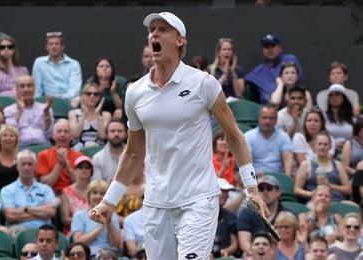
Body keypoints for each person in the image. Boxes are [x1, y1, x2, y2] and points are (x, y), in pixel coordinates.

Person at [89, 12, 268, 260]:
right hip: (155, 203)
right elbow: (133, 153)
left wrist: (252, 188)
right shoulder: (135, 93)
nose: (155, 34)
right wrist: (109, 202)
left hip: (198, 200)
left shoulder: (203, 83)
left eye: (163, 29)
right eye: (152, 30)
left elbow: (234, 136)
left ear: (180, 40)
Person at [1, 149, 56, 234]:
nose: (26, 168)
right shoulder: (7, 190)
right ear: (17, 166)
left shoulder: (46, 189)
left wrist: (26, 209)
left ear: (35, 167)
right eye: (23, 164)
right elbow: (10, 216)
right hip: (18, 231)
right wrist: (40, 214)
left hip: (44, 231)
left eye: (30, 164)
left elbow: (51, 211)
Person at [238, 175, 289, 257]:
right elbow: (245, 244)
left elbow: (290, 244)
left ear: (278, 191)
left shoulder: (287, 215)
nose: (265, 192)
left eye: (269, 188)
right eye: (261, 189)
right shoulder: (246, 212)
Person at [245, 34, 304, 104]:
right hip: (266, 109)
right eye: (267, 47)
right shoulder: (258, 70)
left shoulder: (289, 59)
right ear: (263, 50)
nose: (270, 50)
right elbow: (242, 85)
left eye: (273, 46)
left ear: (280, 48)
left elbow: (300, 83)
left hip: (290, 102)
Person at [294, 131, 351, 203]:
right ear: (315, 146)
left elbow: (348, 189)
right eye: (319, 144)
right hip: (315, 201)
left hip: (336, 200)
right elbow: (297, 189)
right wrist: (312, 194)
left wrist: (330, 185)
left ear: (330, 147)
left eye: (325, 144)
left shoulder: (338, 165)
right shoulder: (306, 165)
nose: (322, 147)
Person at [71, 180, 120, 257]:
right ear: (89, 196)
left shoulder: (113, 216)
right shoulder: (79, 215)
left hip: (110, 254)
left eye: (102, 194)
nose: (98, 196)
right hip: (88, 254)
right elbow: (78, 241)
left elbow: (115, 244)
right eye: (95, 193)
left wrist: (109, 223)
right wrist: (101, 227)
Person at [4, 75, 54, 149]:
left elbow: (49, 134)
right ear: (16, 90)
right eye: (22, 86)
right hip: (20, 149)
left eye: (29, 86)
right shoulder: (8, 110)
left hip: (42, 147)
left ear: (34, 89)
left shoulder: (45, 108)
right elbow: (10, 133)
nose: (26, 89)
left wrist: (46, 113)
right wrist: (20, 111)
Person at [36, 119, 84, 195]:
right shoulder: (43, 155)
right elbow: (45, 185)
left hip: (74, 195)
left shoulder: (79, 156)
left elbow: (81, 184)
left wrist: (67, 166)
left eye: (66, 132)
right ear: (53, 136)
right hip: (51, 194)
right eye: (59, 131)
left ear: (71, 136)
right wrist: (59, 165)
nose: (62, 134)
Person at [244, 104, 294, 176]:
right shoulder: (249, 136)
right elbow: (246, 162)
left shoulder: (284, 137)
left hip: (277, 178)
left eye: (271, 118)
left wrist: (286, 179)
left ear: (276, 120)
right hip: (256, 177)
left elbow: (288, 159)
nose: (267, 121)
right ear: (259, 118)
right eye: (264, 118)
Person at [32, 31, 82, 101]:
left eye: (57, 44)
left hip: (68, 101)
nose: (54, 46)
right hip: (46, 101)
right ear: (46, 47)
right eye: (51, 44)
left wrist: (60, 99)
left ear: (62, 47)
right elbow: (37, 89)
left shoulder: (73, 64)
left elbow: (75, 90)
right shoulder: (39, 62)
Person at [68, 82, 111, 150]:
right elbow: (75, 135)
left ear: (99, 97)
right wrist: (84, 115)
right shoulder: (73, 113)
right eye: (88, 94)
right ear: (82, 96)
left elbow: (103, 136)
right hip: (79, 149)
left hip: (99, 150)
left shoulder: (106, 115)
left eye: (95, 94)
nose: (92, 96)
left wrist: (98, 116)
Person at [316, 83, 358, 153]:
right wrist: (332, 144)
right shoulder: (321, 117)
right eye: (331, 95)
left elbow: (357, 139)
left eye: (337, 94)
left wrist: (348, 145)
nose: (334, 97)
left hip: (350, 152)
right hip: (326, 152)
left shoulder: (353, 119)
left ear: (344, 98)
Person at [60, 155, 92, 236]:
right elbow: (65, 220)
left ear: (91, 171)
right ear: (74, 170)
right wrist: (85, 221)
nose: (84, 169)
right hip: (73, 231)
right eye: (80, 167)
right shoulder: (66, 192)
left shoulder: (95, 191)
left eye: (87, 167)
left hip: (93, 229)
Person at [212, 178, 239, 258]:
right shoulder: (200, 215)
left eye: (227, 192)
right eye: (223, 191)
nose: (226, 195)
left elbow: (234, 243)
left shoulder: (230, 216)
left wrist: (226, 251)